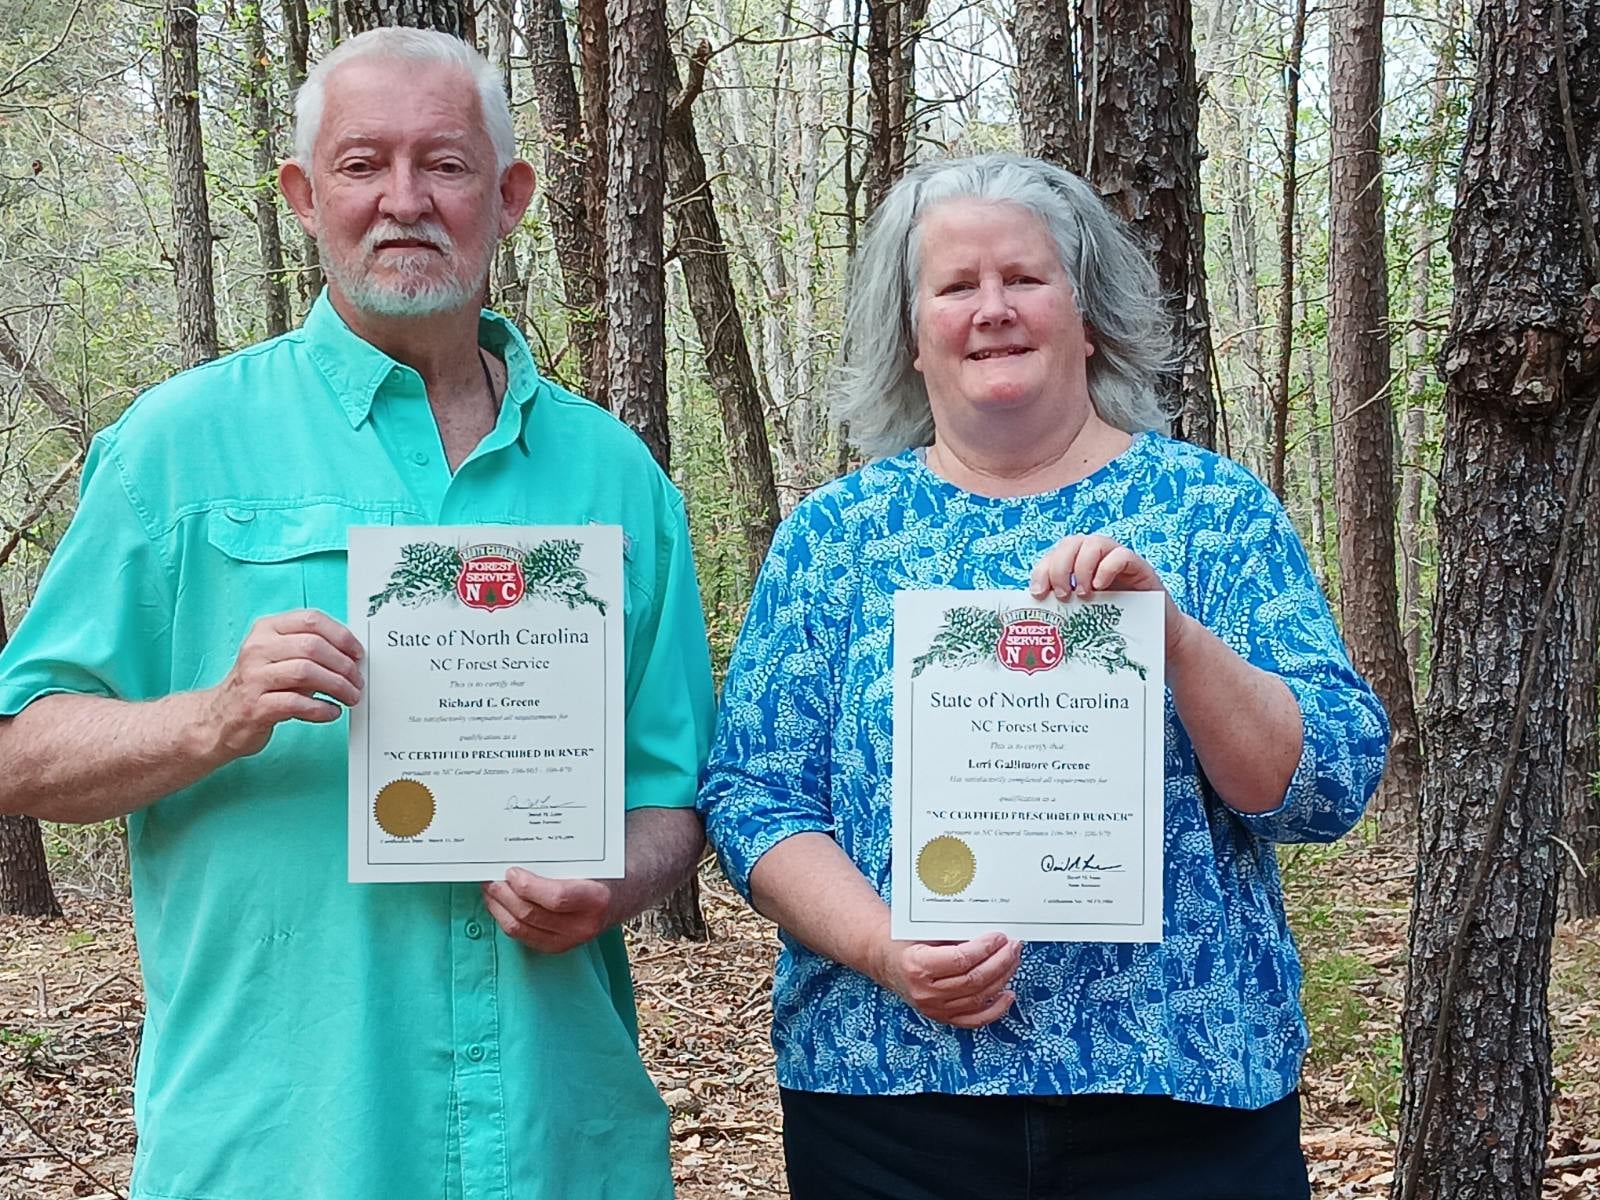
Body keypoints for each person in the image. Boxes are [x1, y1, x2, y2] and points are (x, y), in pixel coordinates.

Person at [0, 28, 713, 1200]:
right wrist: (209, 718)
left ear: (508, 195)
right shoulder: (176, 452)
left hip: (557, 1135)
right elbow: (20, 752)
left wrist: (618, 882)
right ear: (301, 195)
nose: (403, 201)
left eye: (444, 164)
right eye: (360, 163)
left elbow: (673, 792)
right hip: (285, 1139)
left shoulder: (616, 478)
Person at [697, 153, 1388, 1200]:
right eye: (955, 286)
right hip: (887, 1100)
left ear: (1086, 311)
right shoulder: (834, 538)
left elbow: (1325, 784)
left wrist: (1176, 642)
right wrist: (887, 948)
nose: (993, 310)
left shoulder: (1213, 512)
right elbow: (754, 799)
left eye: (1023, 278)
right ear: (908, 333)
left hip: (1181, 1097)